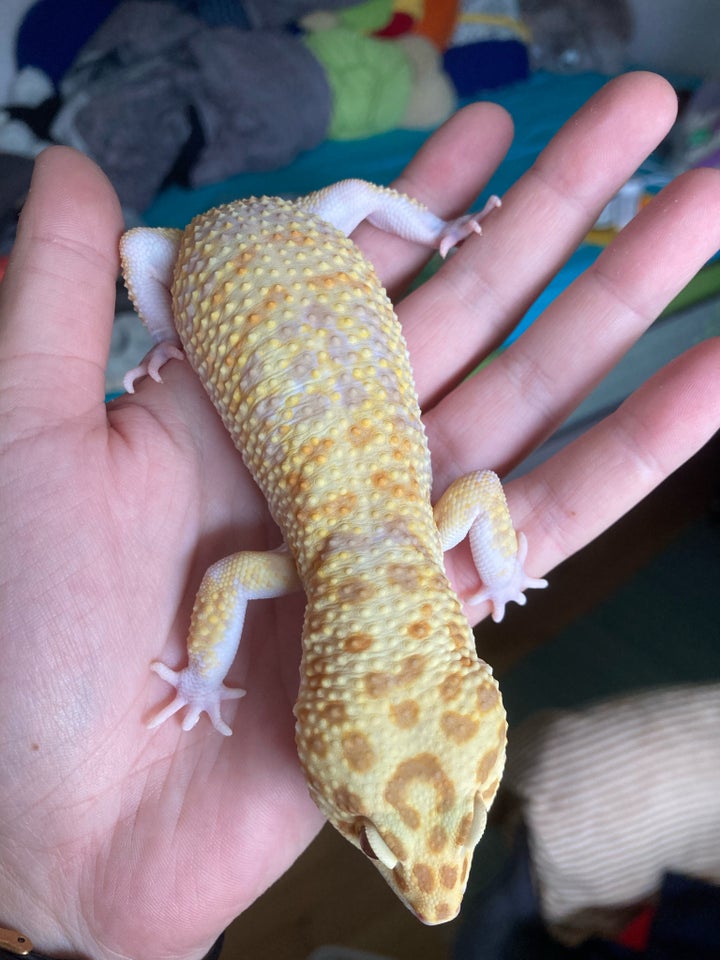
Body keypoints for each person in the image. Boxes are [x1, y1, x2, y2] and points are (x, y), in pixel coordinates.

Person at [0, 71, 718, 960]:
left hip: (294, 247)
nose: (432, 901)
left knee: (211, 240)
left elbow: (482, 498)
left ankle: (296, 271)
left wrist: (497, 570)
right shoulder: (300, 565)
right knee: (158, 250)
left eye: (379, 833)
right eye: (377, 837)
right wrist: (198, 676)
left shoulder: (416, 530)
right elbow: (230, 579)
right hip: (251, 249)